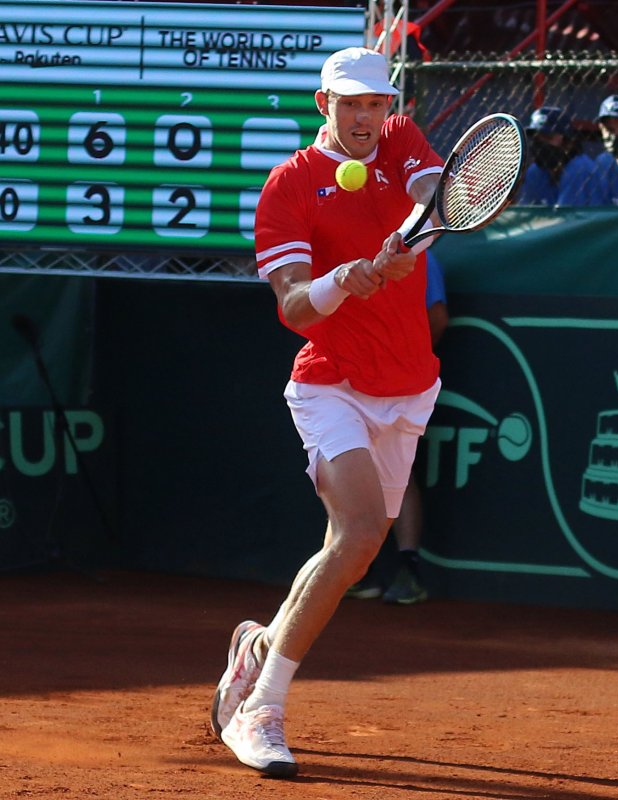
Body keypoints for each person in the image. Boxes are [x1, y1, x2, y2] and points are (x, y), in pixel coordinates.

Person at [209, 47, 444, 779]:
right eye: (351, 104)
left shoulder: (400, 138)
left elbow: (438, 196)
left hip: (409, 385)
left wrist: (414, 234)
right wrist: (349, 276)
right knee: (360, 532)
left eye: (375, 102)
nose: (366, 117)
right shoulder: (290, 184)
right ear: (324, 105)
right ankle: (260, 710)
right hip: (331, 383)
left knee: (353, 554)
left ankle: (258, 645)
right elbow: (294, 305)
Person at [346, 248, 449, 604]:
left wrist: (405, 360)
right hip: (348, 381)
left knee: (398, 473)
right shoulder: (347, 251)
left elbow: (437, 317)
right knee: (347, 471)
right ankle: (357, 569)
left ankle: (408, 568)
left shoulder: (422, 257)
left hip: (399, 386)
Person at [516, 106, 597, 206]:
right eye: (537, 138)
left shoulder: (580, 167)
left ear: (567, 140)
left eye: (548, 137)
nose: (541, 143)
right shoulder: (535, 171)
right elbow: (527, 210)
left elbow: (568, 214)